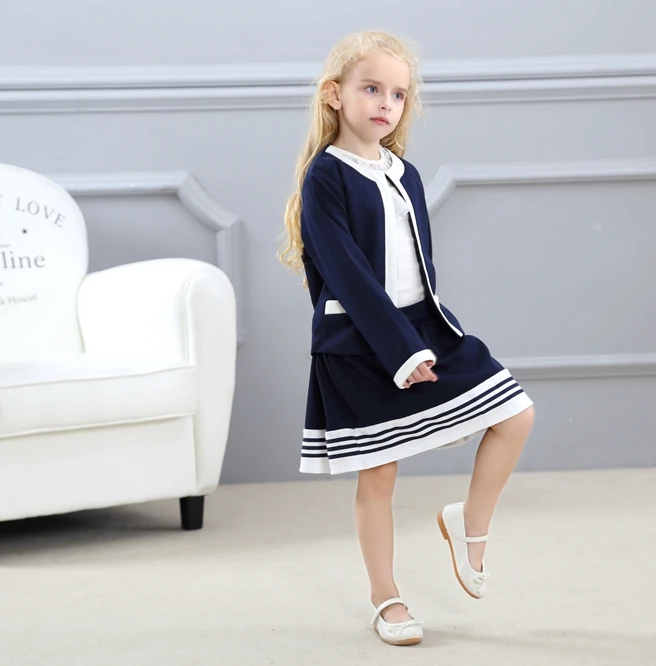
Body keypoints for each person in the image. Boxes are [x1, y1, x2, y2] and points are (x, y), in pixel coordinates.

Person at [278, 29, 535, 646]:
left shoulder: (406, 173)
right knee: (379, 474)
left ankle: (469, 523)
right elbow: (349, 276)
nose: (386, 104)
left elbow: (419, 266)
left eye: (398, 94)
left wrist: (428, 337)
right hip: (359, 340)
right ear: (335, 94)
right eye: (372, 89)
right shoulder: (325, 177)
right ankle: (386, 597)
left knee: (515, 414)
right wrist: (399, 350)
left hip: (421, 325)